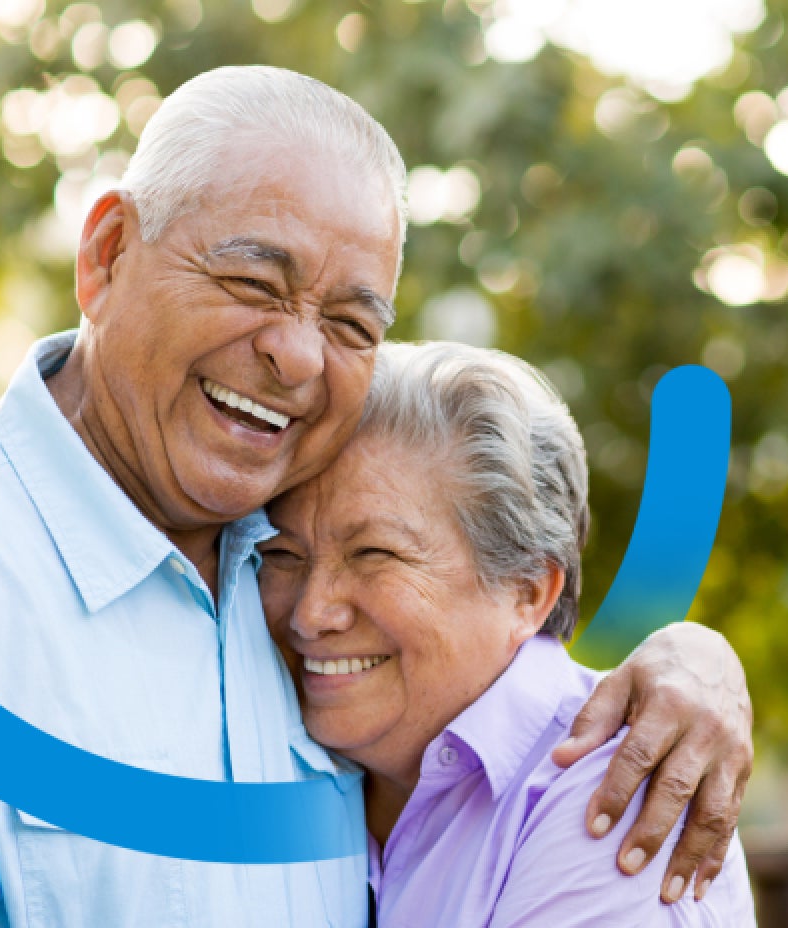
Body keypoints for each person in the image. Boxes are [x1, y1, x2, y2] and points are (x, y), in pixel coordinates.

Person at [0, 67, 753, 927]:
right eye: (256, 283)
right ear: (107, 254)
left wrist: (688, 661)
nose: (297, 354)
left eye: (353, 322)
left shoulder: (297, 578)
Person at [260, 341, 757, 925]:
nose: (311, 613)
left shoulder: (613, 790)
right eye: (283, 553)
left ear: (526, 591)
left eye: (374, 553)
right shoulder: (284, 740)